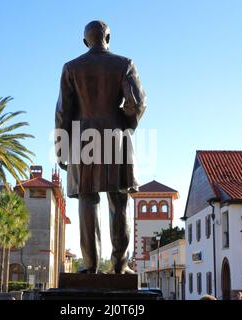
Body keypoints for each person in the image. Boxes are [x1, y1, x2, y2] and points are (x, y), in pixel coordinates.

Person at [55, 20, 146, 274]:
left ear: (86, 41)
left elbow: (63, 111)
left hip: (83, 139)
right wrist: (123, 124)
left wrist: (62, 147)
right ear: (109, 37)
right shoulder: (125, 64)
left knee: (87, 198)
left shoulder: (71, 68)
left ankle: (91, 265)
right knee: (119, 199)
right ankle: (120, 265)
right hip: (116, 137)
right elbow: (137, 103)